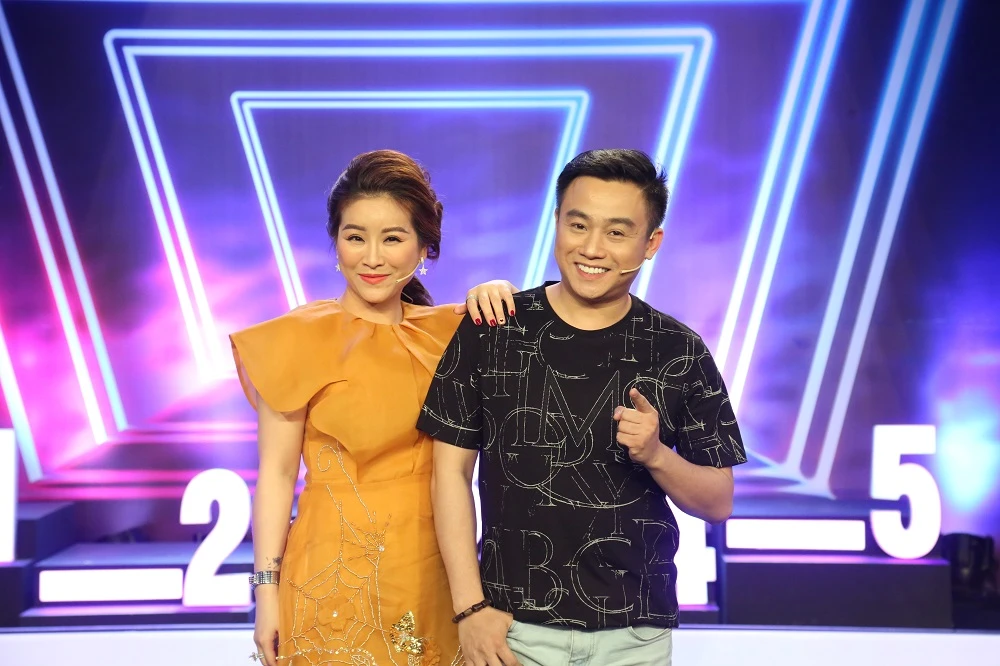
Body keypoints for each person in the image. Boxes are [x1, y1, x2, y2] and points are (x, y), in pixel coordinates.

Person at [419, 149, 747, 666]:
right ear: (556, 222)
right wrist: (470, 608)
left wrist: (657, 455)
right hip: (512, 631)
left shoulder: (679, 350)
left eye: (616, 232)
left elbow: (718, 502)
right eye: (578, 225)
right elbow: (449, 476)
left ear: (651, 243)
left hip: (635, 635)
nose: (592, 248)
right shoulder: (495, 328)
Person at [231, 149, 517, 666]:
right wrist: (265, 595)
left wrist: (499, 292)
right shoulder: (296, 339)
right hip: (329, 580)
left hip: (438, 572)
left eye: (393, 238)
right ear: (336, 242)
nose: (372, 258)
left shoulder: (454, 333)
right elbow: (276, 476)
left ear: (424, 246)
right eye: (355, 236)